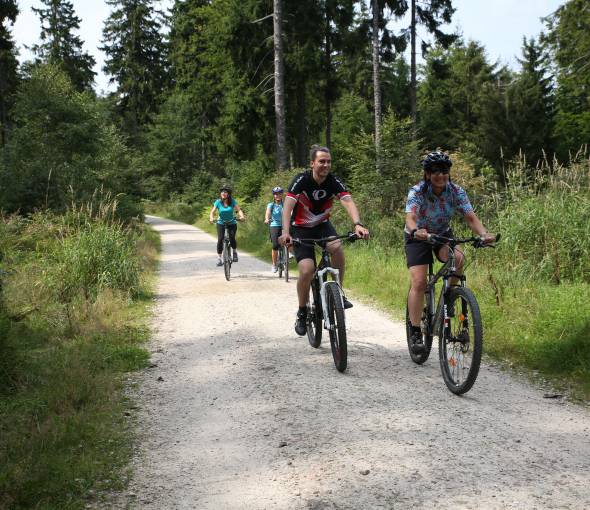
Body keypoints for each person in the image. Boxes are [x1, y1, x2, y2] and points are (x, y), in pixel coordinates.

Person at [405, 151, 496, 353]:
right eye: (436, 171)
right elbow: (410, 216)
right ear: (428, 174)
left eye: (444, 171)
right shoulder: (418, 191)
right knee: (419, 282)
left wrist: (483, 234)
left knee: (458, 258)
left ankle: (450, 297)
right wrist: (415, 230)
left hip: (442, 234)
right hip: (418, 236)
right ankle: (415, 331)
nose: (441, 175)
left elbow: (471, 218)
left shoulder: (456, 191)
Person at [279, 145, 370, 336]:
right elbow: (287, 207)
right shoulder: (301, 180)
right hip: (300, 228)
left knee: (336, 247)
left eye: (328, 161)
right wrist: (285, 232)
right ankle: (302, 311)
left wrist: (358, 224)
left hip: (321, 225)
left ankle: (339, 292)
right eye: (321, 161)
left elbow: (347, 200)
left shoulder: (333, 180)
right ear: (312, 163)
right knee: (306, 269)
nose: (325, 165)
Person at [209, 186, 245, 266]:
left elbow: (238, 210)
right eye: (222, 192)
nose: (223, 193)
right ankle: (219, 259)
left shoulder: (232, 201)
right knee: (220, 239)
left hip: (231, 222)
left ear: (228, 194)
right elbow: (212, 211)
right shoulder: (218, 202)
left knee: (232, 238)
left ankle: (234, 252)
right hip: (221, 222)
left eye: (225, 192)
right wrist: (211, 218)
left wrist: (242, 216)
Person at [265, 186, 285, 273]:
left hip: (285, 225)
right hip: (274, 225)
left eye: (279, 193)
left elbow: (291, 212)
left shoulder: (285, 204)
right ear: (273, 195)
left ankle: (288, 254)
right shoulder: (271, 205)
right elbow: (268, 213)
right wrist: (267, 219)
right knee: (275, 245)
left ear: (282, 194)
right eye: (275, 194)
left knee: (290, 240)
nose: (277, 195)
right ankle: (274, 264)